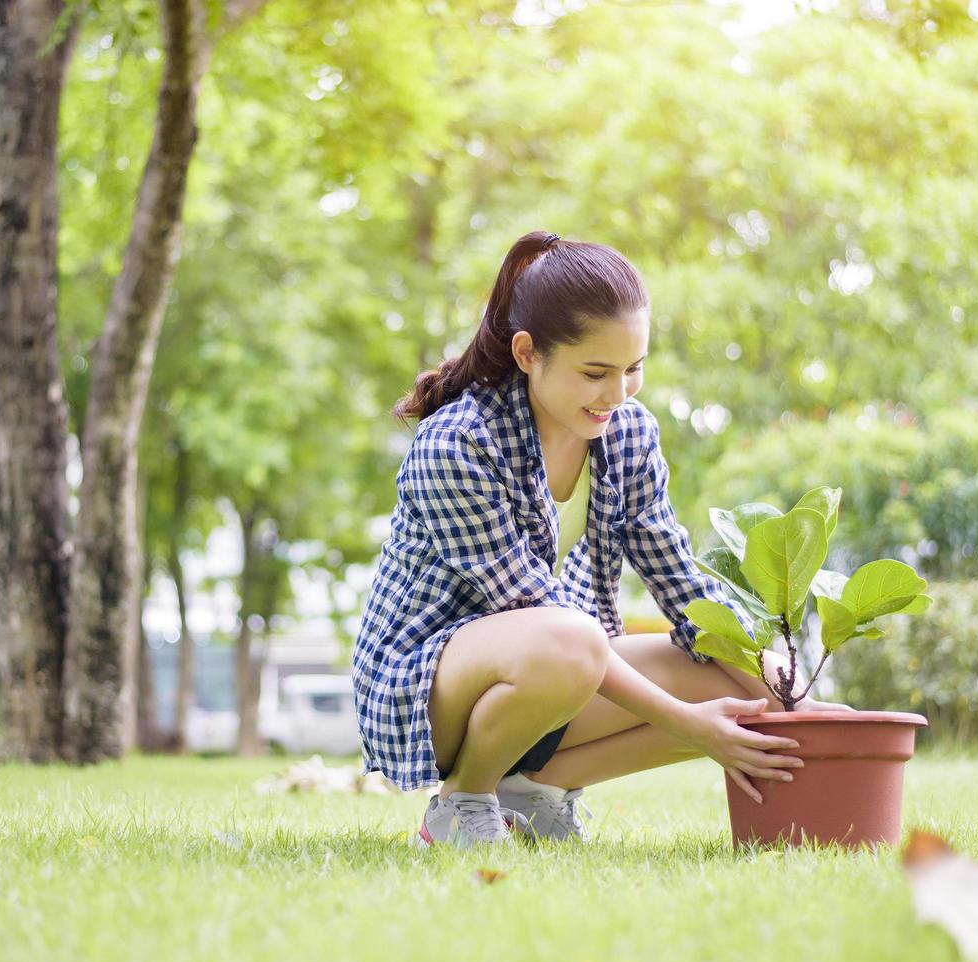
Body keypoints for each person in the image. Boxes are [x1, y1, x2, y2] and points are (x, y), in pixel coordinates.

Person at [351, 230, 852, 849]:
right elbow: (539, 616)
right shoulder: (458, 445)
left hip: (557, 665)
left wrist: (788, 690)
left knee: (738, 681)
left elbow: (682, 586)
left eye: (633, 369)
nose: (616, 394)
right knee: (575, 638)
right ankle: (462, 802)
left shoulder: (628, 434)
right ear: (529, 353)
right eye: (595, 372)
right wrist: (691, 729)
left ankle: (534, 794)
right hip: (429, 687)